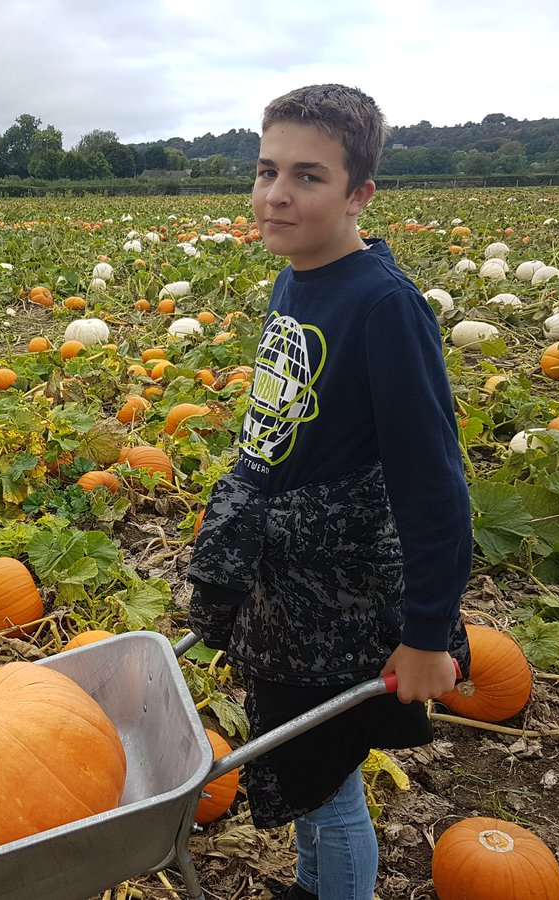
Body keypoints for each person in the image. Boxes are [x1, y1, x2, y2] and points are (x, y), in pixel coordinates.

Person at [187, 84, 472, 900]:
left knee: (323, 784)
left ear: (360, 193)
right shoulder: (297, 276)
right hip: (290, 584)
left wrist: (425, 635)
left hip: (341, 596)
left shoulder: (384, 306)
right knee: (304, 769)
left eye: (308, 176)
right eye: (266, 169)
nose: (276, 194)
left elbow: (435, 489)